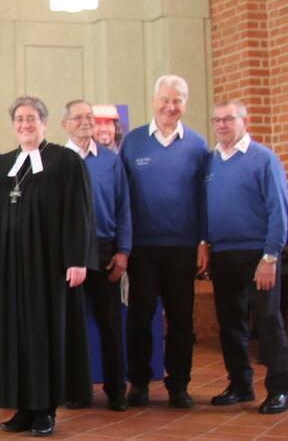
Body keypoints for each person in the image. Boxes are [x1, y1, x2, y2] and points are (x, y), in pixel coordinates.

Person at [0, 95, 95, 437]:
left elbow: (80, 213)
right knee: (12, 336)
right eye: (19, 120)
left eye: (31, 119)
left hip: (49, 269)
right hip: (7, 270)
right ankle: (22, 408)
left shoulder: (65, 161)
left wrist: (77, 259)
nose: (25, 125)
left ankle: (45, 409)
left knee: (44, 336)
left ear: (44, 123)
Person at [120, 74, 210, 409]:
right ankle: (139, 383)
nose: (170, 107)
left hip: (183, 246)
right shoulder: (133, 142)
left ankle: (179, 386)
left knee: (182, 319)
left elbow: (204, 197)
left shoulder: (198, 145)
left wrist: (203, 241)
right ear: (154, 100)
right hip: (142, 247)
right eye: (165, 100)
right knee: (141, 316)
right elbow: (122, 198)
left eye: (178, 100)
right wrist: (124, 246)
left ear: (185, 104)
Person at [204, 99, 288, 415]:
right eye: (217, 120)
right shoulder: (211, 161)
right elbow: (205, 207)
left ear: (245, 121)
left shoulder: (264, 159)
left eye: (229, 119)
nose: (223, 125)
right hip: (223, 253)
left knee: (267, 321)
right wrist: (204, 243)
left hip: (258, 254)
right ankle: (240, 384)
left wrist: (270, 256)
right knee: (230, 324)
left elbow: (279, 211)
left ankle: (280, 389)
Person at [62, 99, 131, 411]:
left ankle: (116, 390)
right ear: (65, 124)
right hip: (67, 253)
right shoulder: (55, 160)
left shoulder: (111, 160)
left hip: (104, 250)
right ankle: (76, 390)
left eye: (89, 117)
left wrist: (123, 251)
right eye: (78, 118)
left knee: (110, 323)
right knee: (71, 325)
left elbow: (123, 207)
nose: (85, 122)